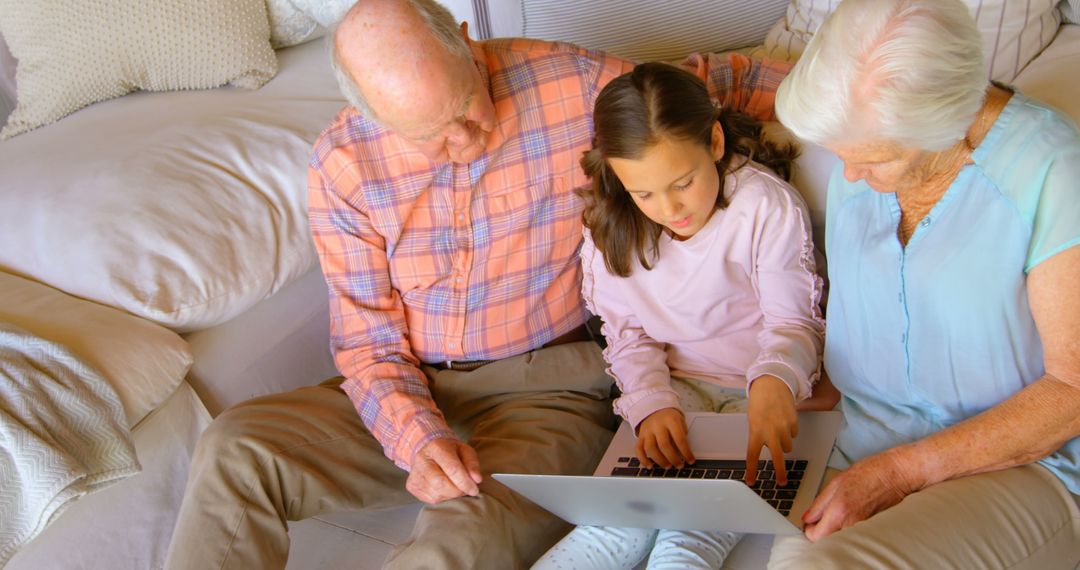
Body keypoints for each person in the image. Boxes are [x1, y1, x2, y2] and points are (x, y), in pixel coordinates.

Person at [163, 0, 798, 568]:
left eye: (467, 107)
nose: (464, 142)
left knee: (460, 544)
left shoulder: (568, 82)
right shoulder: (342, 164)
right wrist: (418, 438)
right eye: (428, 136)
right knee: (232, 450)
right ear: (371, 116)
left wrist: (851, 104)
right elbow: (367, 341)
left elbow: (705, 90)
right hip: (414, 384)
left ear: (469, 46)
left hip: (548, 392)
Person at [767, 0, 1080, 567]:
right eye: (841, 157)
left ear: (948, 121)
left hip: (1019, 471)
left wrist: (900, 471)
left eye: (875, 160)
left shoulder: (1053, 172)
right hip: (858, 447)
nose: (850, 177)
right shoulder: (861, 161)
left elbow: (1073, 390)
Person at [532, 62, 835, 570]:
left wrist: (775, 381)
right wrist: (652, 403)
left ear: (714, 142)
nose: (669, 208)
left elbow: (794, 322)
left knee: (690, 535)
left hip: (765, 395)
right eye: (643, 193)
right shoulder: (610, 222)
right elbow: (626, 335)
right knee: (612, 526)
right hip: (679, 391)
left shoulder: (764, 205)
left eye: (684, 182)